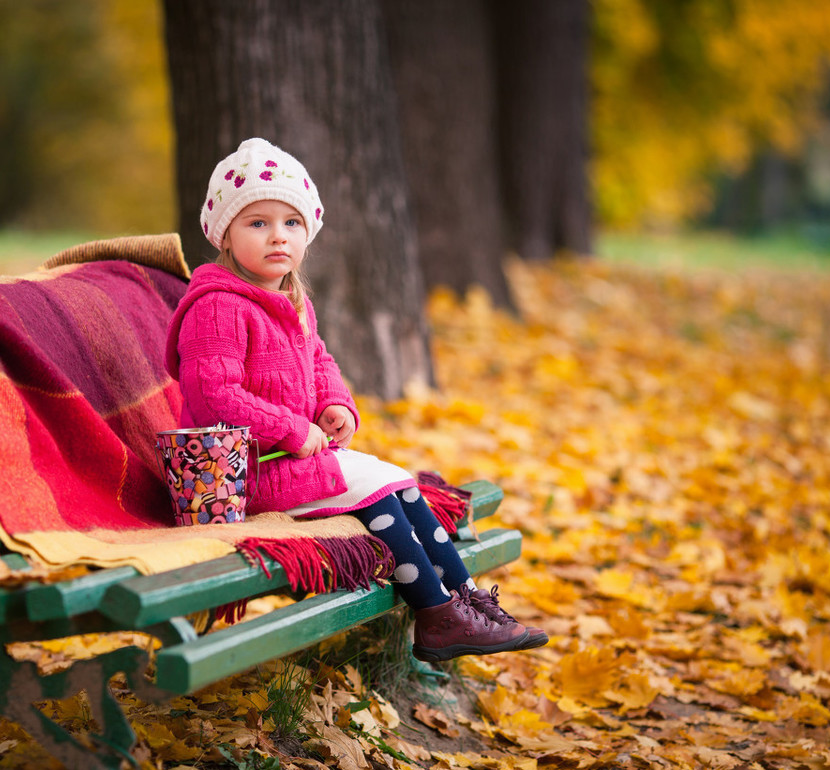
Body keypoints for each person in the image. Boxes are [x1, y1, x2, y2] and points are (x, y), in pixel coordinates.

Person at [165, 138, 548, 661]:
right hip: (238, 477)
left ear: (308, 232)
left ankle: (467, 605)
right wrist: (294, 429)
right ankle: (437, 615)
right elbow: (214, 397)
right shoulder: (219, 308)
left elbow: (320, 364)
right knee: (380, 491)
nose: (278, 236)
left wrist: (335, 405)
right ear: (225, 236)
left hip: (291, 459)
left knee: (403, 488)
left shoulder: (291, 300)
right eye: (258, 223)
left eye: (291, 223)